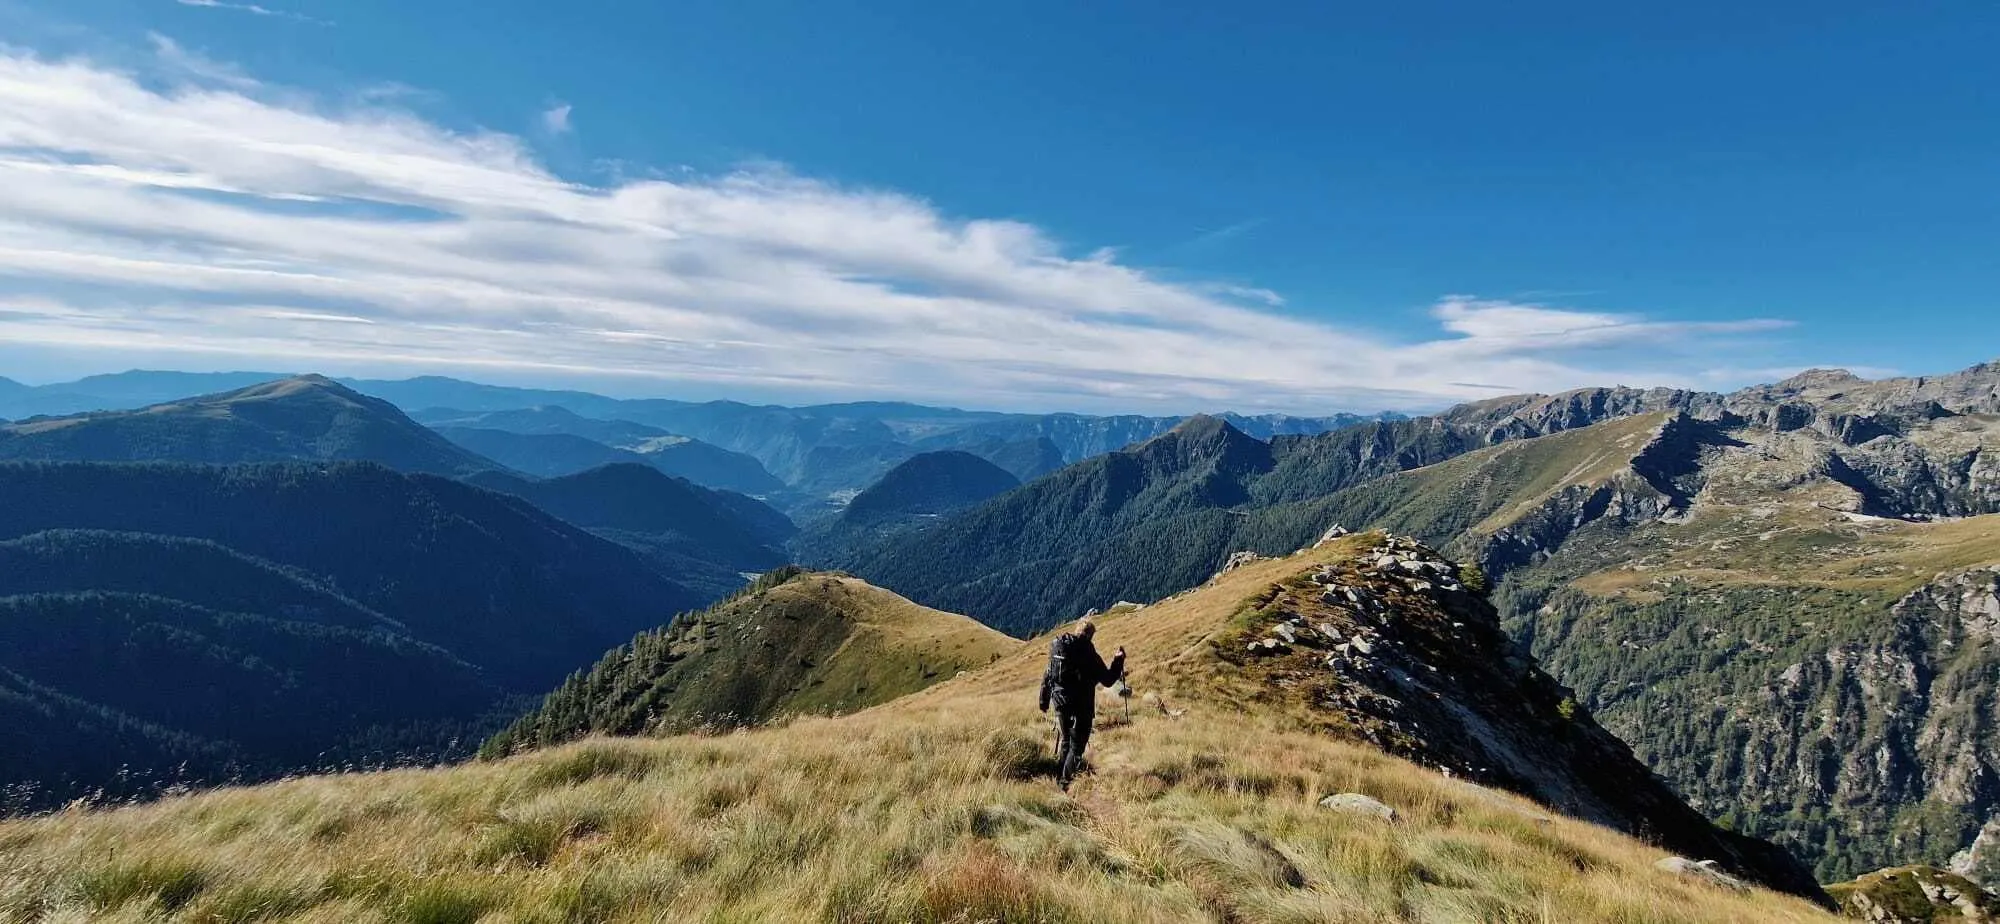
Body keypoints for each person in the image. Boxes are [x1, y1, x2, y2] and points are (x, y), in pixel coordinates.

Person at [1037, 618, 1125, 790]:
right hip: (1081, 706)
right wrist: (1118, 661)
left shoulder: (1059, 647)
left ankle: (1058, 776)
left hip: (1060, 703)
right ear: (1091, 635)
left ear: (1076, 630)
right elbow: (1107, 680)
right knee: (1077, 746)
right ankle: (1065, 785)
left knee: (1066, 740)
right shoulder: (1088, 652)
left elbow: (1048, 675)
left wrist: (1043, 702)